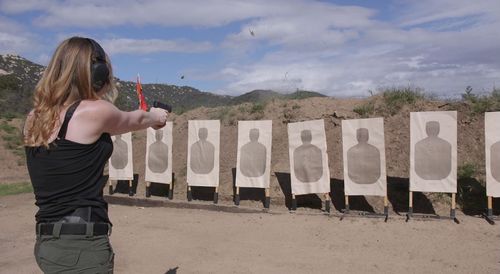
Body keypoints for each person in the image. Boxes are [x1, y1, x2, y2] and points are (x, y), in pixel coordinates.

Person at [23, 36, 168, 273]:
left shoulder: (33, 118)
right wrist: (157, 117)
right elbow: (137, 119)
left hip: (47, 245)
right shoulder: (94, 111)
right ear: (97, 72)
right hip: (81, 247)